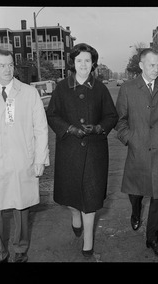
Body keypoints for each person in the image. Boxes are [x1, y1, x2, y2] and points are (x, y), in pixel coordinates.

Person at [46, 43, 118, 257]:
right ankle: (74, 215)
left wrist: (98, 127)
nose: (84, 64)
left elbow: (111, 116)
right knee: (71, 197)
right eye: (79, 60)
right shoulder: (61, 87)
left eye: (87, 60)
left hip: (95, 152)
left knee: (91, 198)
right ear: (73, 63)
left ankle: (88, 242)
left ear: (93, 63)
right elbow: (52, 115)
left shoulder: (101, 88)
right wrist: (69, 129)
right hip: (69, 150)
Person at [0, 48, 49, 263]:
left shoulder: (29, 93)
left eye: (10, 64)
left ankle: (20, 250)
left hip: (22, 160)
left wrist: (40, 159)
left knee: (21, 207)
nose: (7, 69)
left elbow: (41, 128)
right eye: (2, 65)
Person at [115, 48, 158, 259]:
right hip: (138, 150)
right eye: (151, 65)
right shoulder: (128, 88)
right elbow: (120, 121)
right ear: (141, 65)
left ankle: (152, 238)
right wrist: (131, 139)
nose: (156, 69)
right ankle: (135, 210)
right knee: (136, 192)